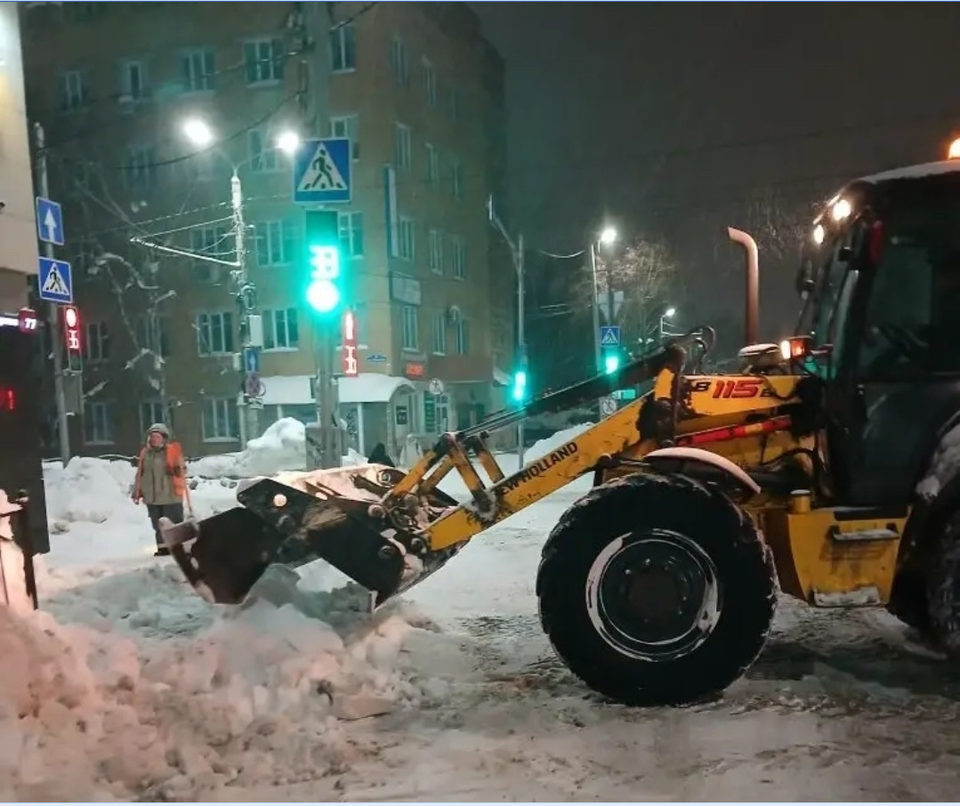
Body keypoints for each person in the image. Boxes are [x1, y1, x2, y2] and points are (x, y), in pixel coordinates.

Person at [132, 423, 190, 557]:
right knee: (158, 525)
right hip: (152, 496)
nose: (154, 440)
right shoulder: (145, 453)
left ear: (164, 438)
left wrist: (176, 469)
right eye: (152, 437)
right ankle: (163, 548)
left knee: (173, 522)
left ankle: (177, 548)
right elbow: (140, 473)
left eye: (157, 437)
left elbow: (182, 469)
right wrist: (137, 490)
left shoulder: (172, 451)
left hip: (170, 495)